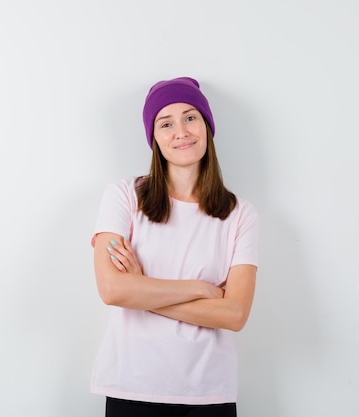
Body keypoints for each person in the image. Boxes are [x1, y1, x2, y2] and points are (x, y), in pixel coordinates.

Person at [90, 77, 259, 417]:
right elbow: (112, 290)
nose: (181, 131)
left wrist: (142, 291)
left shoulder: (240, 213)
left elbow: (235, 314)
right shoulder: (124, 196)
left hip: (208, 394)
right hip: (131, 387)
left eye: (190, 117)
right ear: (154, 138)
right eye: (166, 123)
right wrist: (202, 290)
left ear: (207, 127)